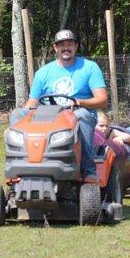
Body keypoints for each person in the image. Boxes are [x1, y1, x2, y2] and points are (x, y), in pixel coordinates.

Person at [24, 29, 108, 183]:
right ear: (55, 48)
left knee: (80, 116)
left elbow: (102, 99)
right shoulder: (43, 73)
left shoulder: (89, 68)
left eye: (70, 43)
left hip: (80, 113)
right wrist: (19, 118)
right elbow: (32, 103)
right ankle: (25, 169)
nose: (66, 48)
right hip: (50, 117)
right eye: (61, 44)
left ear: (76, 46)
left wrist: (80, 102)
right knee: (18, 118)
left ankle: (88, 170)